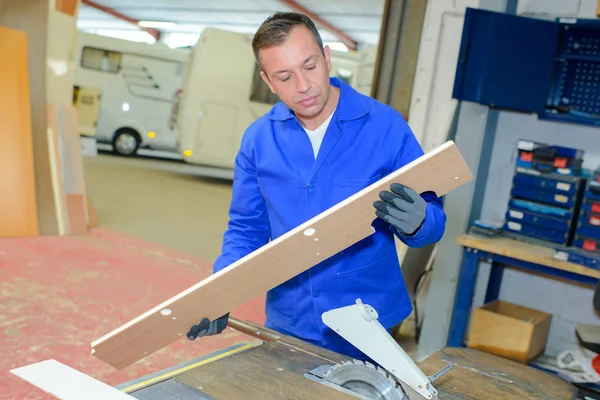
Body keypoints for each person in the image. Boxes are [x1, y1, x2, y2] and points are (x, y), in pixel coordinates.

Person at [186, 11, 446, 360]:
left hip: (369, 321)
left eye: (310, 66)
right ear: (268, 81)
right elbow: (246, 230)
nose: (304, 86)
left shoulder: (385, 127)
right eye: (285, 76)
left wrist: (420, 221)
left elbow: (433, 221)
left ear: (326, 57)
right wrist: (220, 291)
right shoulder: (258, 141)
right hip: (290, 319)